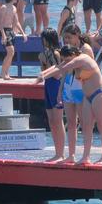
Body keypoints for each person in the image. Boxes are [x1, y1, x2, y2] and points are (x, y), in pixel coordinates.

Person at [39, 45, 102, 165]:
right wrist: (42, 74)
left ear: (74, 54)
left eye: (68, 59)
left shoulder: (81, 59)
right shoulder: (72, 61)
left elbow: (62, 69)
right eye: (65, 59)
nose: (66, 62)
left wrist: (43, 77)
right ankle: (85, 157)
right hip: (88, 97)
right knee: (86, 126)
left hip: (100, 94)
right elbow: (60, 66)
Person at [59, 24, 94, 163]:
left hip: (81, 86)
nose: (66, 40)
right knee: (71, 122)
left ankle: (86, 155)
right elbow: (64, 70)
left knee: (85, 122)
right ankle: (71, 154)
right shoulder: (68, 49)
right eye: (64, 38)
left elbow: (92, 69)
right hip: (69, 84)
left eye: (69, 37)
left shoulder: (85, 49)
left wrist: (88, 89)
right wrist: (60, 90)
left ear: (77, 35)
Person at [35, 28, 65, 162]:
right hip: (48, 84)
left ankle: (61, 153)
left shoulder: (58, 53)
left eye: (44, 39)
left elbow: (59, 73)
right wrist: (43, 60)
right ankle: (57, 152)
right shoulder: (42, 54)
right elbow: (44, 71)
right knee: (52, 121)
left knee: (58, 120)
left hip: (56, 85)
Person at [0, 0, 27, 79]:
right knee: (10, 51)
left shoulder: (14, 8)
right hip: (4, 30)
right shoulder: (3, 7)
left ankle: (6, 73)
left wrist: (23, 33)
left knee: (11, 53)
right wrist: (3, 35)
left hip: (10, 30)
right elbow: (0, 23)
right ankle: (3, 73)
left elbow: (17, 22)